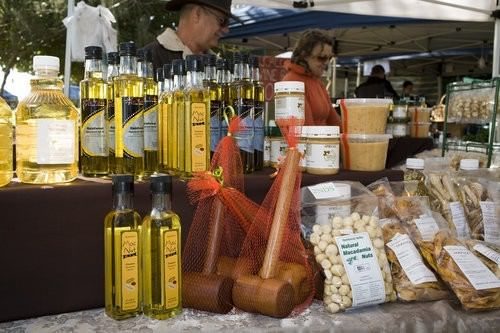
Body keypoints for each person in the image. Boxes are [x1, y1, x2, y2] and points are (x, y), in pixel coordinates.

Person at [143, 0, 233, 73]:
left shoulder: (220, 66)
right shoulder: (148, 59)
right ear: (197, 14)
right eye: (222, 21)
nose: (226, 30)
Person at [281, 29, 341, 126]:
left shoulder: (317, 81)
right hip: (309, 140)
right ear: (304, 55)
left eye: (329, 58)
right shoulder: (291, 82)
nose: (326, 63)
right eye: (321, 57)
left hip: (322, 140)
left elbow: (334, 120)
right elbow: (306, 130)